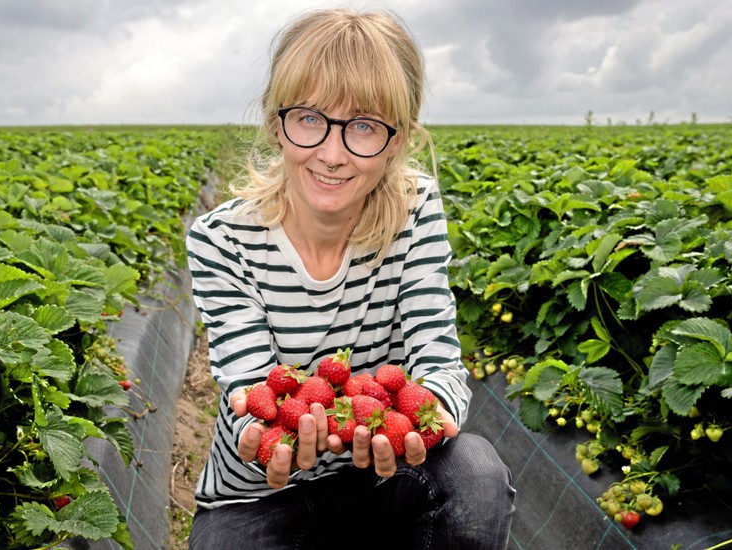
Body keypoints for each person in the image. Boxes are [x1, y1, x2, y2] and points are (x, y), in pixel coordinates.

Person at [185, 8, 515, 549]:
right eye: (310, 118)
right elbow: (251, 384)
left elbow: (436, 353)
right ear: (276, 121)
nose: (332, 154)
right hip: (259, 495)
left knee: (474, 472)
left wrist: (424, 417)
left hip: (383, 476)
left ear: (397, 140)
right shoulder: (221, 239)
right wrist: (261, 431)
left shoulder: (414, 208)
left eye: (363, 126)